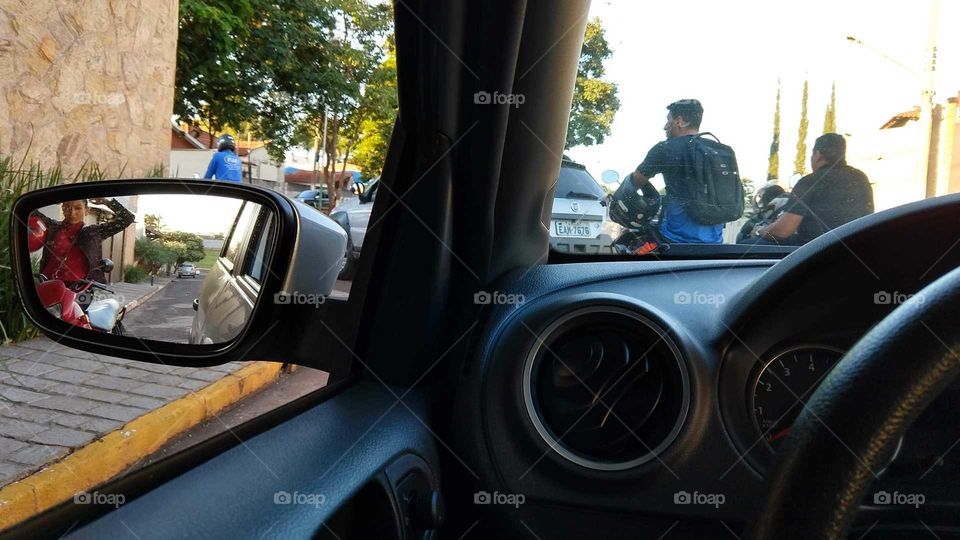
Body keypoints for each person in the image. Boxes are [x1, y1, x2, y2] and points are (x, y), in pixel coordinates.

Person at [623, 99, 725, 244]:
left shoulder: (665, 148)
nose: (665, 126)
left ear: (679, 121)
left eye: (668, 120)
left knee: (630, 241)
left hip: (674, 239)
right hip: (715, 242)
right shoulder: (719, 151)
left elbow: (634, 183)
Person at [748, 133, 873, 245]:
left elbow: (782, 231)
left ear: (818, 155)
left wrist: (759, 231)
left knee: (747, 244)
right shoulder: (861, 177)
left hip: (814, 250)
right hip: (856, 247)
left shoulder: (809, 181)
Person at [33, 198, 135, 284]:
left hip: (81, 289)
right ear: (63, 208)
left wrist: (107, 202)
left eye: (78, 208)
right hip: (48, 283)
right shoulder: (53, 227)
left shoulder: (93, 232)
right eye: (67, 207)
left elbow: (127, 218)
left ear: (87, 211)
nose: (72, 212)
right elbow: (31, 211)